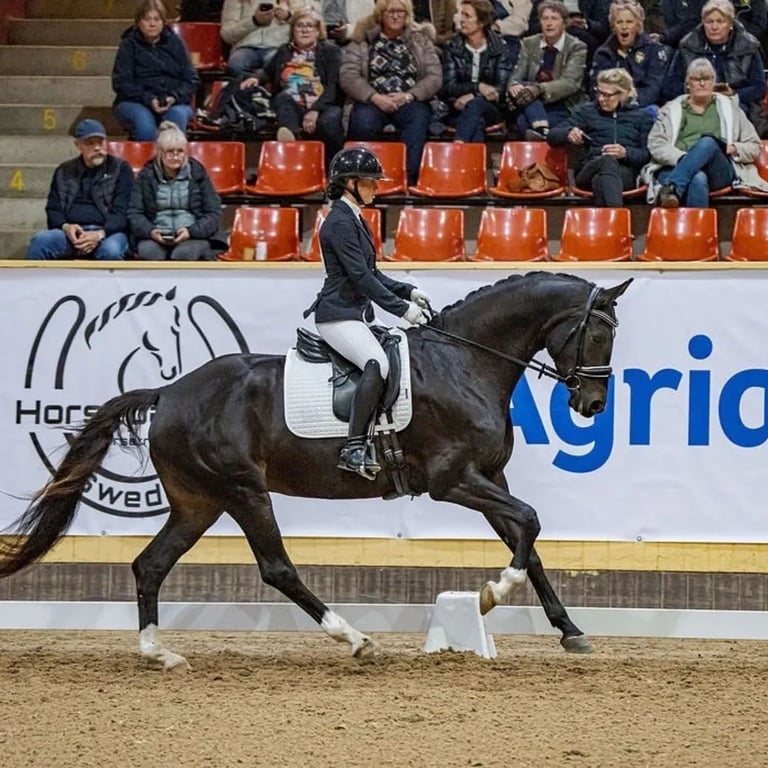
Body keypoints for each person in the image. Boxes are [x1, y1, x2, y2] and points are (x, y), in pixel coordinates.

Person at [303, 148, 430, 479]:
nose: (376, 188)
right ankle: (354, 447)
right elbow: (360, 278)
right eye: (370, 182)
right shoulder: (339, 223)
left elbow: (372, 273)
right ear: (349, 183)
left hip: (355, 313)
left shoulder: (356, 218)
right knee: (377, 362)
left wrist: (408, 291)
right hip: (337, 315)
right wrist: (403, 310)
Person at [339, 0, 443, 185]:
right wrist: (374, 97)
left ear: (407, 15)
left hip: (409, 100)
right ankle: (361, 180)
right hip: (372, 100)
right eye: (390, 12)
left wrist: (409, 95)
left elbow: (434, 76)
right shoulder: (363, 39)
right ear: (381, 14)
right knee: (362, 121)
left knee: (418, 119)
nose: (395, 16)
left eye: (400, 12)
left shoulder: (420, 39)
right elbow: (348, 75)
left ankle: (408, 181)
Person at [641, 57, 768, 207]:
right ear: (688, 84)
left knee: (708, 141)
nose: (702, 83)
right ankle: (696, 230)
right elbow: (656, 144)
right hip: (675, 165)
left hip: (718, 170)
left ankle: (672, 188)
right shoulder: (671, 110)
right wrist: (684, 159)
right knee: (697, 178)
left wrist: (734, 148)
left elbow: (754, 145)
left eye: (706, 78)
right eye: (696, 79)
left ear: (714, 81)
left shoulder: (730, 109)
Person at [241, 9, 344, 165]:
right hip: (294, 103)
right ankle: (293, 147)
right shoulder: (284, 51)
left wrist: (315, 110)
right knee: (282, 98)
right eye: (299, 26)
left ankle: (333, 166)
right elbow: (267, 71)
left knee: (329, 122)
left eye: (310, 26)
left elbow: (332, 87)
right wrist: (255, 78)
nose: (304, 30)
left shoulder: (331, 51)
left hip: (323, 104)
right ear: (293, 31)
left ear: (318, 31)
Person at [26, 119, 133, 261]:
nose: (97, 148)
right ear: (78, 145)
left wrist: (99, 234)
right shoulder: (64, 171)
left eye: (100, 142)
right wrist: (65, 227)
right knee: (41, 241)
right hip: (72, 235)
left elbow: (122, 212)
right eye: (90, 143)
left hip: (107, 233)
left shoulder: (121, 169)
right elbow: (53, 209)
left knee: (111, 250)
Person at [548, 68, 652, 205]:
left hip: (625, 173)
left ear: (624, 94)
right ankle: (618, 220)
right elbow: (552, 136)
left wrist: (626, 153)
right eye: (599, 93)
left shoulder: (641, 117)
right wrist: (568, 133)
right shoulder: (587, 111)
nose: (601, 99)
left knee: (600, 181)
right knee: (606, 161)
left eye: (607, 95)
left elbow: (646, 155)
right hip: (589, 169)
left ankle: (610, 222)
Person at [127, 122, 227, 261]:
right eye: (170, 151)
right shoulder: (146, 176)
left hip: (193, 235)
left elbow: (213, 212)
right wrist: (151, 231)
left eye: (179, 151)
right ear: (159, 153)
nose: (175, 156)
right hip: (155, 235)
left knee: (183, 254)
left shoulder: (198, 174)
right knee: (150, 253)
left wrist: (190, 232)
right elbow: (135, 213)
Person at [664, 0, 766, 131]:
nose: (714, 27)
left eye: (720, 21)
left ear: (731, 24)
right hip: (694, 103)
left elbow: (759, 87)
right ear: (703, 23)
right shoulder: (687, 45)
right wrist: (697, 93)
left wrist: (733, 94)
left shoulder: (749, 46)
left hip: (736, 105)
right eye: (709, 22)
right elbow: (670, 84)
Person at [112, 0, 200, 141]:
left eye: (157, 19)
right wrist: (149, 99)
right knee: (145, 125)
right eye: (147, 19)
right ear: (138, 22)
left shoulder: (176, 43)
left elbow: (191, 79)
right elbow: (121, 83)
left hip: (175, 101)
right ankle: (148, 162)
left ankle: (174, 161)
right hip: (136, 101)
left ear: (163, 22)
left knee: (175, 120)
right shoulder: (128, 45)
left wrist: (174, 97)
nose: (152, 24)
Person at [507, 0, 587, 139]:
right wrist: (514, 86)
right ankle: (542, 129)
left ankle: (541, 132)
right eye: (545, 18)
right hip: (530, 100)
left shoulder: (576, 47)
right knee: (525, 95)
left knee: (524, 123)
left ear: (564, 23)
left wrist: (540, 89)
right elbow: (516, 76)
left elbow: (570, 83)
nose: (549, 23)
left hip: (562, 104)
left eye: (554, 18)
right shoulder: (529, 43)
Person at [441, 0, 517, 142]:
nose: (461, 20)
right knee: (477, 124)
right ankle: (471, 161)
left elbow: (500, 89)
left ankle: (459, 145)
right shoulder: (452, 47)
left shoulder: (500, 47)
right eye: (461, 14)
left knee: (476, 104)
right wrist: (478, 87)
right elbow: (447, 88)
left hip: (492, 109)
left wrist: (474, 96)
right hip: (457, 107)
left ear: (481, 22)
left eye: (467, 16)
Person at [589, 0, 671, 113]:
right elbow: (595, 89)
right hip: (608, 107)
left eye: (629, 22)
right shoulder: (603, 53)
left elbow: (654, 89)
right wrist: (615, 101)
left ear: (638, 25)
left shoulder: (653, 50)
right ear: (613, 26)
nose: (624, 27)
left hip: (642, 108)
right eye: (619, 22)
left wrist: (629, 100)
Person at [221, 0, 293, 75]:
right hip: (245, 48)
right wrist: (254, 21)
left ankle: (260, 81)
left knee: (278, 62)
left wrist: (288, 16)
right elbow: (227, 35)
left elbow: (303, 21)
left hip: (276, 47)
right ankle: (251, 83)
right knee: (236, 63)